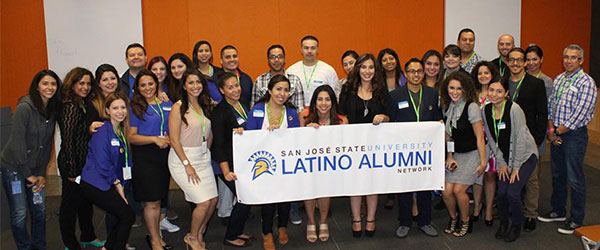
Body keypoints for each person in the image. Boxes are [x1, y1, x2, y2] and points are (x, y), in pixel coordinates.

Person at [539, 44, 597, 234]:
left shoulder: (586, 82)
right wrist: (550, 129)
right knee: (557, 174)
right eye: (566, 57)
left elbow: (580, 114)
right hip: (556, 132)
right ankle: (558, 211)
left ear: (581, 61)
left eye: (573, 58)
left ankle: (576, 219)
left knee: (575, 177)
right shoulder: (559, 79)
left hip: (573, 135)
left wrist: (557, 132)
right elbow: (550, 106)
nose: (569, 61)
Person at [1, 69, 60, 250]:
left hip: (35, 170)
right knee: (19, 213)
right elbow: (18, 145)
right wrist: (29, 175)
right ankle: (24, 247)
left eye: (53, 84)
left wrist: (41, 174)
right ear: (37, 86)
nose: (49, 88)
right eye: (45, 83)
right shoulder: (24, 108)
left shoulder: (51, 110)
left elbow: (46, 145)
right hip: (15, 169)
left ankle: (39, 246)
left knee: (39, 211)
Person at [246, 74, 301, 250]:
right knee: (268, 202)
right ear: (270, 90)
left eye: (286, 90)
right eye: (278, 89)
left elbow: (298, 139)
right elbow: (249, 137)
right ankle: (267, 232)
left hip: (285, 166)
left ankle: (282, 227)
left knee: (285, 200)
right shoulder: (257, 110)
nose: (282, 93)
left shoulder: (291, 113)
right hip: (265, 165)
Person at [389, 58, 442, 239]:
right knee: (404, 187)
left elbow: (437, 117)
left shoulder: (432, 94)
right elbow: (391, 122)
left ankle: (425, 221)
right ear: (405, 73)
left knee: (424, 187)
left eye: (419, 71)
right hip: (404, 149)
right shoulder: (395, 95)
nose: (416, 74)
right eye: (412, 71)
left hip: (426, 150)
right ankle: (404, 222)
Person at [339, 54, 391, 238]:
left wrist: (383, 117)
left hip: (375, 146)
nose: (367, 71)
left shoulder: (381, 90)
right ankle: (355, 219)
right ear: (357, 69)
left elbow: (389, 115)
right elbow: (341, 112)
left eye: (371, 67)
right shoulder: (347, 89)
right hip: (353, 144)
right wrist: (343, 120)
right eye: (363, 67)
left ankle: (370, 219)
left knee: (372, 183)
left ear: (375, 71)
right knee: (355, 183)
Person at [481, 79, 538, 242]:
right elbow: (492, 139)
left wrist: (516, 167)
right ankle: (504, 223)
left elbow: (520, 139)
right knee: (501, 193)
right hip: (505, 157)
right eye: (491, 90)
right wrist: (502, 163)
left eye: (499, 91)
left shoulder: (514, 109)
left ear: (506, 93)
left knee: (513, 193)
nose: (494, 94)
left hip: (525, 156)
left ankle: (516, 225)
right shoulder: (486, 110)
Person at [168, 69, 218, 249]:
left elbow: (208, 132)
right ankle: (191, 237)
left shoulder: (204, 104)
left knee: (213, 200)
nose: (195, 86)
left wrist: (206, 153)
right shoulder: (178, 107)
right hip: (183, 160)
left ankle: (198, 233)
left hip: (203, 157)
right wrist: (187, 164)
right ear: (184, 86)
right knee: (203, 202)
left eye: (198, 82)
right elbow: (173, 139)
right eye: (191, 83)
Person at [57, 67, 106, 250]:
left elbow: (80, 134)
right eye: (81, 83)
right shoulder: (70, 106)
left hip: (83, 163)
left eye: (88, 83)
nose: (85, 87)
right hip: (72, 163)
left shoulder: (82, 104)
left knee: (85, 202)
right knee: (69, 207)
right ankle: (70, 244)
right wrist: (72, 169)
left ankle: (88, 236)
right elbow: (68, 141)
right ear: (72, 83)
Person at [80, 92, 136, 250]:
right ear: (107, 110)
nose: (120, 111)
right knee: (127, 216)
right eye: (115, 108)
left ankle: (109, 247)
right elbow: (102, 163)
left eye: (123, 107)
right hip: (95, 183)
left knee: (121, 216)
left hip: (109, 181)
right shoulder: (103, 131)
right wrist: (117, 184)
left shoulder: (120, 131)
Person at [128, 70, 177, 249]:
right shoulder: (135, 107)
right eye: (143, 85)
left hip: (163, 157)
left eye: (150, 84)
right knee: (152, 202)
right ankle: (154, 239)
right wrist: (154, 139)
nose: (147, 88)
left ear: (157, 84)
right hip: (145, 158)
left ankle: (156, 235)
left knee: (159, 199)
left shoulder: (166, 103)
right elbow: (131, 137)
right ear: (137, 88)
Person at [505, 47, 548, 232]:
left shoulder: (536, 84)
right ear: (507, 63)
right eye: (511, 60)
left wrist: (537, 139)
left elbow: (542, 114)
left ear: (524, 63)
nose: (515, 63)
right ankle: (513, 209)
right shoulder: (502, 83)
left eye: (519, 60)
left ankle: (531, 214)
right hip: (508, 139)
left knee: (531, 179)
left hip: (530, 140)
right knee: (511, 175)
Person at [440, 71, 487, 237]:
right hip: (457, 155)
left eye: (458, 89)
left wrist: (483, 162)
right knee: (446, 191)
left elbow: (480, 137)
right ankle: (454, 218)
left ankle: (466, 221)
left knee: (459, 190)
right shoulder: (448, 107)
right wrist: (450, 156)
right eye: (451, 88)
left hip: (473, 154)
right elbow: (449, 136)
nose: (454, 92)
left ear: (465, 90)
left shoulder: (472, 107)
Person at [299, 85, 348, 243]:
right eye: (320, 99)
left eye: (327, 99)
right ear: (314, 101)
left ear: (333, 102)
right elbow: (297, 141)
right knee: (309, 187)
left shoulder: (341, 121)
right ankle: (311, 221)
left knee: (324, 187)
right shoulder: (304, 116)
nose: (324, 103)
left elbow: (344, 145)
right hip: (308, 163)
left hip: (330, 165)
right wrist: (308, 131)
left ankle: (323, 220)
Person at [211, 72, 255, 247]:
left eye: (236, 85)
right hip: (225, 163)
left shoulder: (242, 104)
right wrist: (226, 171)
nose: (235, 89)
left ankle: (237, 231)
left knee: (245, 198)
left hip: (240, 161)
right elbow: (219, 145)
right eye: (230, 87)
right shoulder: (220, 112)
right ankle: (230, 236)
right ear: (222, 90)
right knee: (245, 197)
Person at [469, 61, 500, 226]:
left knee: (489, 175)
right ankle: (476, 207)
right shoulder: (471, 94)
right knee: (477, 174)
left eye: (486, 73)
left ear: (492, 75)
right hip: (475, 142)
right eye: (480, 73)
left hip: (492, 142)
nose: (483, 76)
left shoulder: (497, 93)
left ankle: (488, 210)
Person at [287, 35, 340, 105]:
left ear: (317, 50)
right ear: (301, 50)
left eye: (313, 48)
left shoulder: (328, 70)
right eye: (306, 48)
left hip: (321, 113)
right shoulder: (291, 71)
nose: (309, 51)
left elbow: (336, 96)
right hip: (296, 113)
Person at [252, 44, 305, 111]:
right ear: (268, 60)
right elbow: (254, 108)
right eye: (272, 57)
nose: (276, 60)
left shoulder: (295, 80)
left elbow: (300, 109)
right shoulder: (259, 81)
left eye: (280, 57)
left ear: (284, 59)